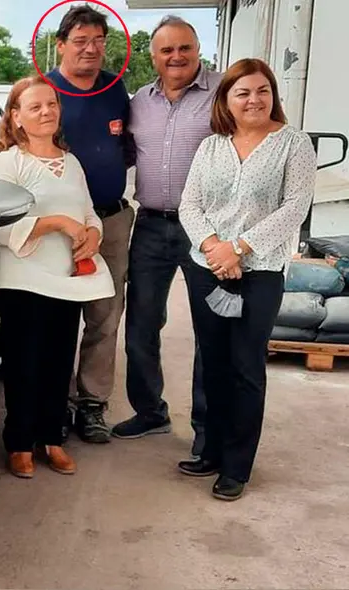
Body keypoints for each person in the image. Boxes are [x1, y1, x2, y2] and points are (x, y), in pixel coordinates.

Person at [176, 58, 316, 501]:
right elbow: (190, 206)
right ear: (226, 100)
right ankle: (209, 450)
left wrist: (239, 249)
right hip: (208, 269)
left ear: (273, 94)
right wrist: (215, 248)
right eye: (243, 92)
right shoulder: (212, 146)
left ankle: (237, 466)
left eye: (262, 91)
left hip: (261, 274)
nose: (253, 100)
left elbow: (294, 208)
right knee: (211, 361)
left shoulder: (293, 144)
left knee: (246, 368)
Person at [0, 75, 116, 479]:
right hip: (23, 279)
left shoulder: (71, 161)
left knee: (60, 362)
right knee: (25, 364)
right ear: (17, 117)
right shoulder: (11, 161)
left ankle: (52, 439)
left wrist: (93, 233)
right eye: (35, 106)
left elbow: (89, 212)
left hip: (67, 279)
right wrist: (55, 222)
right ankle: (19, 443)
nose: (46, 112)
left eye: (52, 105)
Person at [112, 16, 223, 462]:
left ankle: (206, 429)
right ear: (153, 56)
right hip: (152, 224)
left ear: (198, 49)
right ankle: (150, 411)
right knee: (140, 324)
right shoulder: (140, 101)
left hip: (209, 229)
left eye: (184, 48)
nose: (176, 57)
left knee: (210, 328)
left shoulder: (223, 93)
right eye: (166, 50)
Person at [44, 3, 135, 444]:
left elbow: (129, 145)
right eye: (80, 41)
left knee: (104, 315)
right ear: (61, 45)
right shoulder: (44, 91)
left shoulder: (117, 90)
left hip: (112, 220)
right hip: (58, 226)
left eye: (98, 41)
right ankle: (55, 403)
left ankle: (92, 405)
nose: (91, 49)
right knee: (58, 317)